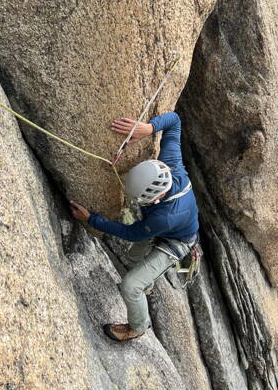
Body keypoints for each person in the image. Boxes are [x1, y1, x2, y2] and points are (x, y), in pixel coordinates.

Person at [70, 111, 199, 342]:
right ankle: (147, 285)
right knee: (133, 258)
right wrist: (148, 128)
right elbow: (175, 121)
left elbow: (131, 233)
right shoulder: (173, 165)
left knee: (130, 286)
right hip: (166, 226)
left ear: (156, 198)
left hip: (176, 241)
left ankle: (138, 327)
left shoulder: (164, 217)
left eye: (142, 200)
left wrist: (91, 219)